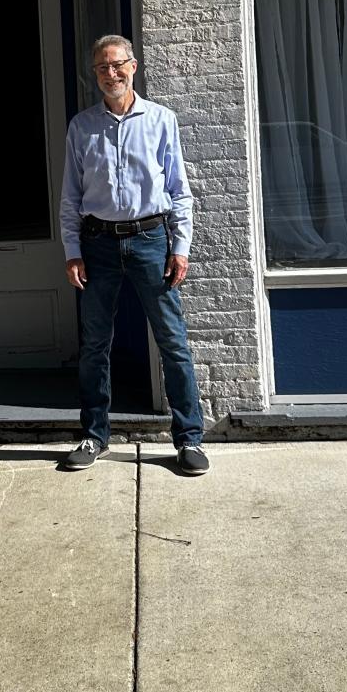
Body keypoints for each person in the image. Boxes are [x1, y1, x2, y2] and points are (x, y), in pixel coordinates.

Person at [59, 34, 209, 475]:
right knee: (94, 346)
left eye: (117, 65)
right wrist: (72, 251)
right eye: (102, 67)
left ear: (134, 66)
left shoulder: (161, 120)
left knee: (173, 343)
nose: (111, 74)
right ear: (95, 74)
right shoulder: (82, 126)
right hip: (98, 245)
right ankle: (94, 435)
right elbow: (71, 197)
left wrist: (179, 246)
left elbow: (179, 191)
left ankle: (189, 440)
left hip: (150, 242)